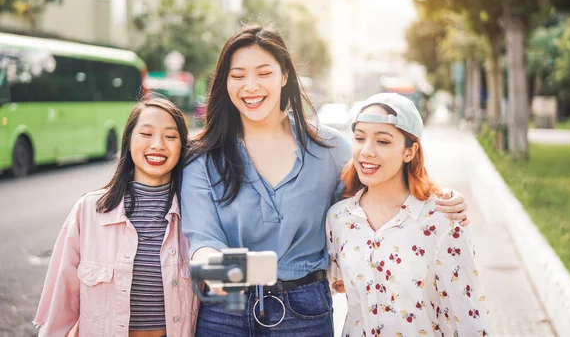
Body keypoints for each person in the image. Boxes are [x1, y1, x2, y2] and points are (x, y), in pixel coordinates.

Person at [181, 24, 469, 337]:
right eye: (238, 75)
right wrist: (225, 267)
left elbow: (383, 198)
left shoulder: (330, 149)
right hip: (227, 312)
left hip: (304, 312)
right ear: (225, 82)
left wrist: (441, 200)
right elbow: (202, 243)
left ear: (285, 76)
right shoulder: (202, 156)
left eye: (264, 73)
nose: (251, 86)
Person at [326, 92, 490, 337]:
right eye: (360, 138)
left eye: (383, 141)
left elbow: (468, 314)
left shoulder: (442, 219)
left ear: (409, 152)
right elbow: (335, 285)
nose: (367, 151)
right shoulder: (339, 219)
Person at [33, 97, 198, 337]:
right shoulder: (89, 211)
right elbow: (61, 304)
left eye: (170, 137)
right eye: (146, 134)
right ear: (129, 141)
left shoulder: (196, 216)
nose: (158, 144)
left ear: (182, 147)